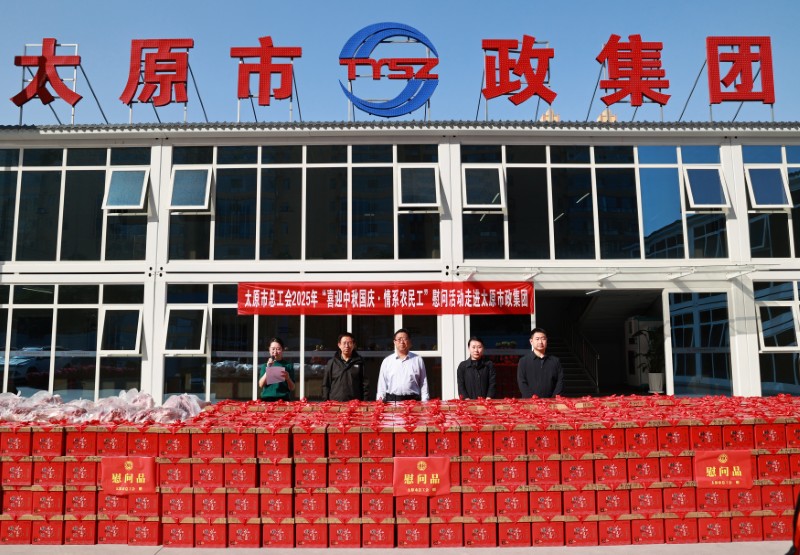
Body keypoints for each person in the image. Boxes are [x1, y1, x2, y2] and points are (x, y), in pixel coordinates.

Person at [376, 328, 429, 402]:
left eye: (405, 339)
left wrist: (425, 401)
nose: (402, 342)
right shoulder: (387, 361)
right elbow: (382, 385)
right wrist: (380, 401)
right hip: (392, 401)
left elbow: (423, 383)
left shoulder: (417, 360)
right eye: (399, 339)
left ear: (409, 341)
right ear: (394, 342)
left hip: (413, 401)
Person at [517, 327, 564, 398]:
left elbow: (560, 381)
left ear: (546, 341)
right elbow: (522, 382)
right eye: (537, 339)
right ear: (531, 341)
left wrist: (553, 399)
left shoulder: (555, 361)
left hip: (552, 402)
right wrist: (532, 398)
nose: (540, 342)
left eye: (543, 339)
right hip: (530, 402)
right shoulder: (523, 361)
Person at [321, 332, 368, 401]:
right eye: (344, 343)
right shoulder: (332, 363)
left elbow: (365, 385)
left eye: (349, 343)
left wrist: (365, 401)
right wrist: (326, 401)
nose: (347, 346)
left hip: (354, 403)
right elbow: (326, 384)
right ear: (339, 345)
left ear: (354, 345)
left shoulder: (360, 362)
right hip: (335, 403)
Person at [258, 337, 296, 402]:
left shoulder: (288, 365)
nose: (275, 352)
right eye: (273, 349)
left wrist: (288, 378)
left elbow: (292, 388)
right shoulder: (265, 366)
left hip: (283, 399)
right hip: (267, 399)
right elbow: (261, 385)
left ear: (282, 350)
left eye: (278, 349)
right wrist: (268, 369)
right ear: (269, 350)